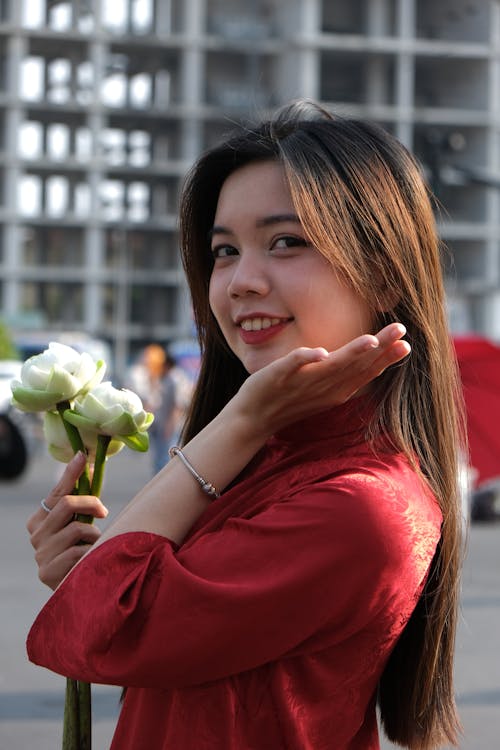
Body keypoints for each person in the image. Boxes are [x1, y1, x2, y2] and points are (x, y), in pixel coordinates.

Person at [25, 100, 464, 750]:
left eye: (287, 242)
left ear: (382, 271)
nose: (238, 282)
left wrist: (244, 419)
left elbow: (99, 629)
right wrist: (86, 568)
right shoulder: (267, 458)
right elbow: (109, 608)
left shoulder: (358, 508)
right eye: (224, 250)